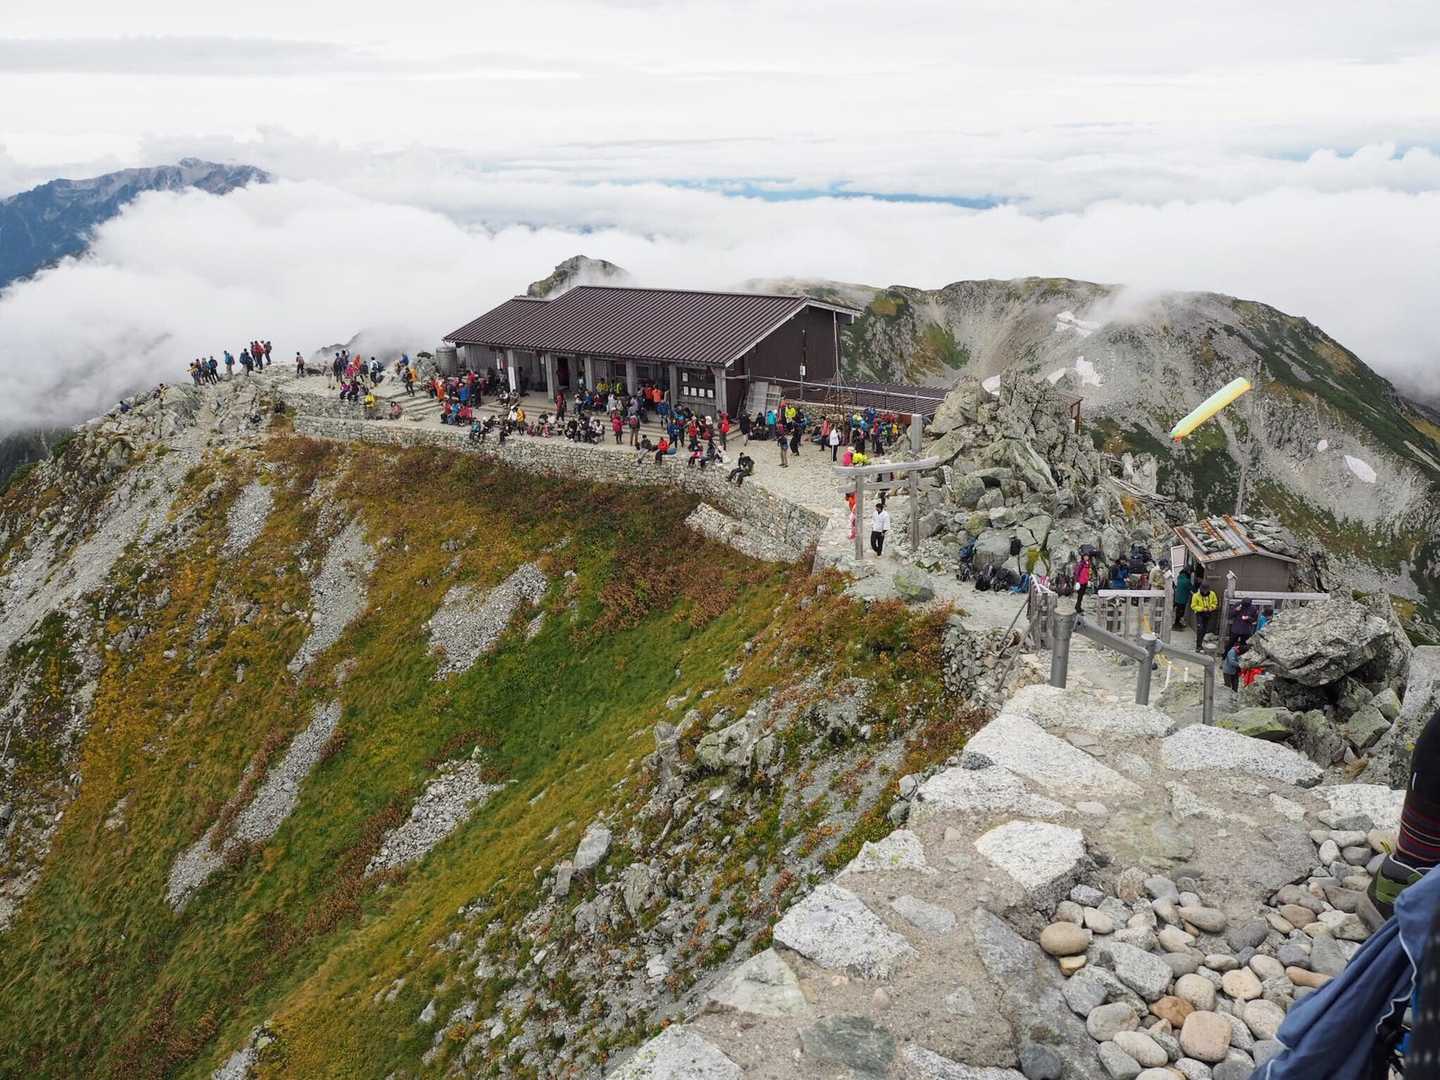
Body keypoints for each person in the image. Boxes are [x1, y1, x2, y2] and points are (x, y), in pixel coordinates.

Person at [1191, 581, 1219, 651]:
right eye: (1204, 590)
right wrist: (1202, 609)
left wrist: (1212, 607)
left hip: (1209, 613)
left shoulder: (1212, 594)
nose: (1205, 592)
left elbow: (1215, 602)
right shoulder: (1196, 595)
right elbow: (1193, 606)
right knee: (1200, 629)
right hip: (1200, 613)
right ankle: (1198, 646)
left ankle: (1200, 642)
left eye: (1206, 590)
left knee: (1204, 629)